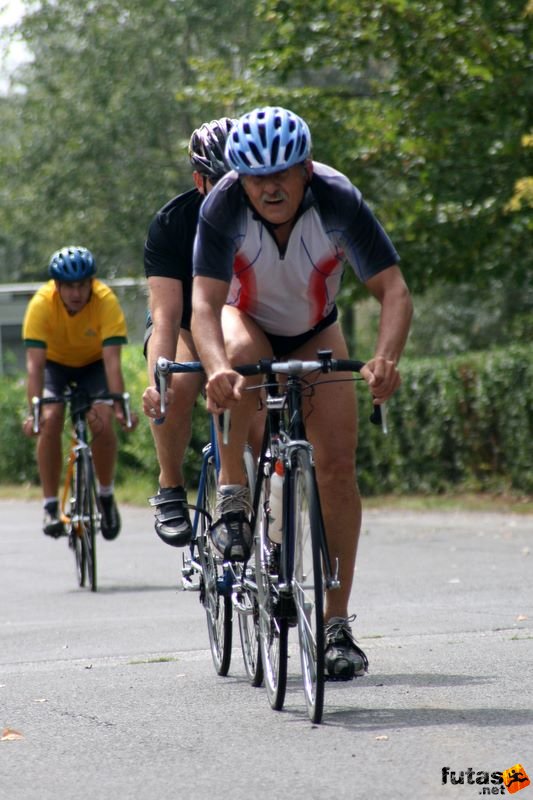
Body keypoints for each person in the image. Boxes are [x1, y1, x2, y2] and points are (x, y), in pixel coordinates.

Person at [191, 106, 413, 680]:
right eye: (256, 176)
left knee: (338, 467)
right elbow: (205, 307)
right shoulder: (222, 206)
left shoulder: (339, 200)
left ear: (306, 167)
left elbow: (394, 291)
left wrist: (386, 357)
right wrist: (215, 368)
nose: (270, 187)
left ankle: (336, 625)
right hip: (249, 319)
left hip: (317, 327)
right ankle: (234, 493)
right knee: (239, 359)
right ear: (238, 176)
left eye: (283, 173)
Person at [142, 118, 236, 547]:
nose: (235, 189)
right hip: (180, 320)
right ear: (200, 180)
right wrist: (155, 384)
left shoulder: (264, 213)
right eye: (221, 180)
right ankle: (170, 485)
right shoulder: (171, 223)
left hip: (236, 318)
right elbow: (165, 317)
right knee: (177, 383)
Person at [22, 246, 137, 540]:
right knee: (50, 418)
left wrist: (120, 406)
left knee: (101, 418)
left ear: (92, 283)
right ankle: (50, 506)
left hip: (93, 365)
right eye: (69, 286)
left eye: (83, 285)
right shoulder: (40, 304)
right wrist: (33, 412)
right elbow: (35, 366)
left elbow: (112, 362)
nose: (77, 292)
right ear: (57, 286)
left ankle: (106, 496)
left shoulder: (105, 301)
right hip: (54, 366)